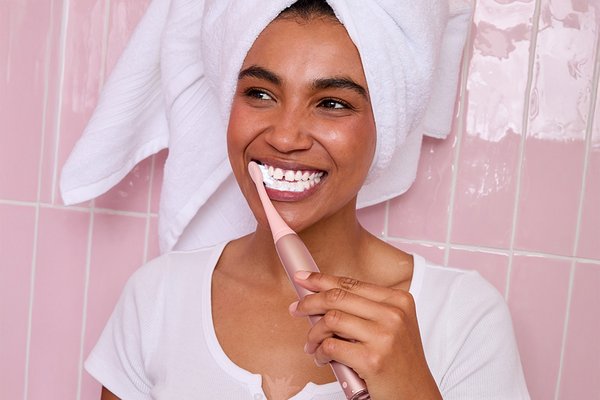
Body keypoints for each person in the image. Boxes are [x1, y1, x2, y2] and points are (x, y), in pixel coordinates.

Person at [71, 1, 530, 399]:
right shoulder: (156, 297)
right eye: (260, 93)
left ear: (385, 124)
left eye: (332, 103)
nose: (285, 137)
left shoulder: (464, 317)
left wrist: (412, 391)